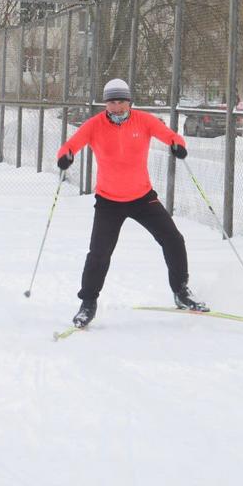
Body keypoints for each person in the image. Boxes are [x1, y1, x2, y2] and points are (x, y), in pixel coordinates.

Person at [56, 78, 209, 328]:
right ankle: (88, 303)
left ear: (129, 102)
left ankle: (181, 291)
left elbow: (171, 136)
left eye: (121, 102)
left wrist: (177, 146)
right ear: (105, 104)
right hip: (108, 201)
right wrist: (65, 157)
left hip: (142, 198)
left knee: (173, 239)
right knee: (99, 253)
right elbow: (70, 146)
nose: (117, 107)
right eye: (112, 102)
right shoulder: (94, 125)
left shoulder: (144, 121)